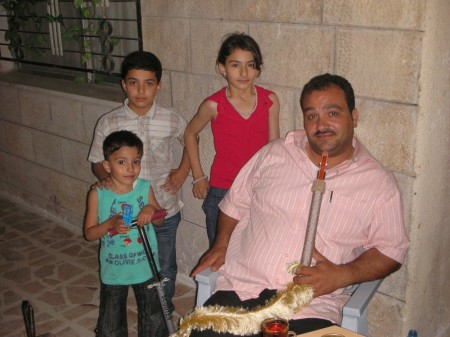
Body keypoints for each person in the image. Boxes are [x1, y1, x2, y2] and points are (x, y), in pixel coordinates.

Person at [190, 73, 409, 336]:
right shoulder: (275, 153)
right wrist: (222, 242)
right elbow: (234, 204)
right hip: (239, 293)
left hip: (309, 309)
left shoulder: (378, 184)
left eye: (332, 113)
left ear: (354, 117)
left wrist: (342, 275)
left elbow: (392, 250)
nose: (321, 124)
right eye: (312, 115)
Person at [88, 51, 189, 314]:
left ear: (159, 85)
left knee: (164, 267)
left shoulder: (171, 118)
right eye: (133, 82)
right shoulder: (109, 121)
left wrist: (183, 171)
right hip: (124, 214)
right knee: (125, 262)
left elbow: (191, 140)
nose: (141, 90)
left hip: (162, 209)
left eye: (149, 83)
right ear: (124, 84)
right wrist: (109, 183)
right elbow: (98, 161)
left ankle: (161, 314)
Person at [184, 32, 280, 246]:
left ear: (257, 68)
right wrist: (198, 176)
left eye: (250, 65)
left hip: (258, 190)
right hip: (222, 191)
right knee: (221, 256)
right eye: (235, 65)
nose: (244, 72)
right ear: (222, 67)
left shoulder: (270, 101)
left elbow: (274, 147)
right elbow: (190, 133)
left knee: (255, 253)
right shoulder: (213, 105)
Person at [84, 130, 167, 337]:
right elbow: (90, 234)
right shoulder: (98, 193)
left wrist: (150, 210)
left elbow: (160, 219)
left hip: (146, 265)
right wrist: (110, 223)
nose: (130, 168)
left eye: (136, 161)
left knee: (154, 319)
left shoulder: (144, 188)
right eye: (121, 162)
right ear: (107, 166)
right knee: (110, 323)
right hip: (114, 269)